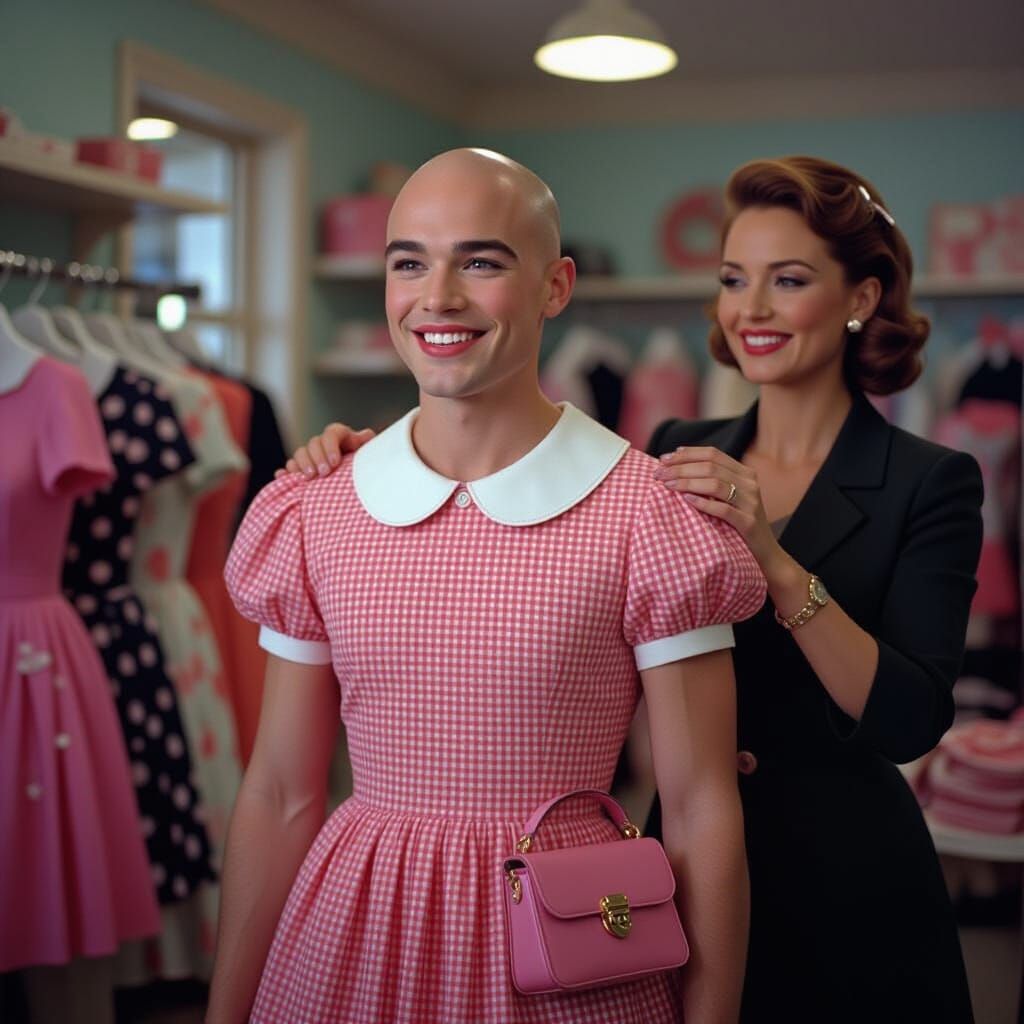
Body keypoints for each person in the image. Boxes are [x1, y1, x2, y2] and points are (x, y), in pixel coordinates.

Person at [287, 155, 985, 1023]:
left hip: (842, 862)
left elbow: (908, 718)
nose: (751, 309)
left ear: (860, 300)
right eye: (735, 279)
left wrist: (770, 557)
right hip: (670, 862)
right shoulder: (674, 445)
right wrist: (373, 466)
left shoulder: (929, 479)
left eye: (788, 280)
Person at [207, 148, 766, 1023]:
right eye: (409, 262)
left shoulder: (645, 514)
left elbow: (698, 806)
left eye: (480, 261)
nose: (438, 297)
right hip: (352, 931)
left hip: (570, 936)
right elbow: (279, 791)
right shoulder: (319, 509)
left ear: (554, 286)